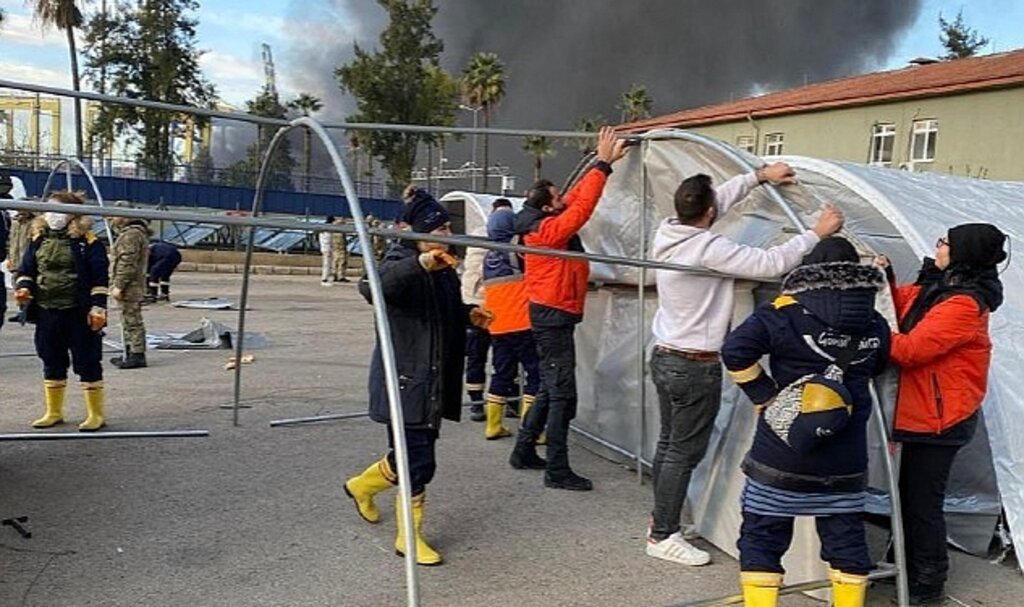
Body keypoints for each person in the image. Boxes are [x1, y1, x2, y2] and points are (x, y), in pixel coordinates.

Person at [644, 165, 845, 565]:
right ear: (709, 214)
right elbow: (770, 263)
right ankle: (663, 534)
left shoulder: (669, 230)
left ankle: (660, 523)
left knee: (670, 446)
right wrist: (817, 233)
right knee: (683, 453)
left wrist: (758, 176)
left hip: (666, 356)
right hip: (692, 366)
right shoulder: (707, 249)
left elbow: (718, 198)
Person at [722, 237, 890, 607]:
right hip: (845, 459)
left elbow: (735, 351)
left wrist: (764, 395)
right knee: (846, 541)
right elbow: (878, 365)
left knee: (762, 537)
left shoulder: (782, 312)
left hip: (782, 452)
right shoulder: (875, 321)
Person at [344, 189, 493, 566]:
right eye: (440, 228)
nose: (447, 234)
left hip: (430, 379)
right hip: (405, 380)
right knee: (420, 460)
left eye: (448, 227)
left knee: (411, 453)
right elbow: (373, 288)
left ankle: (361, 486)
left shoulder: (442, 268)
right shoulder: (401, 260)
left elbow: (442, 309)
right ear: (420, 233)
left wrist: (467, 315)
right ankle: (408, 536)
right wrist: (421, 264)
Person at [881, 224, 1007, 606]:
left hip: (940, 417)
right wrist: (882, 278)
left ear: (964, 253)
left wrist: (867, 332)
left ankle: (928, 579)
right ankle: (904, 561)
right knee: (908, 494)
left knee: (922, 500)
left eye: (945, 243)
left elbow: (910, 349)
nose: (937, 247)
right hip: (922, 409)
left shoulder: (964, 303)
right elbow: (898, 305)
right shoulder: (939, 287)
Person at [508, 126, 627, 491]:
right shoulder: (546, 231)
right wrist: (602, 165)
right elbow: (580, 210)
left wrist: (603, 164)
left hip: (553, 314)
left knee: (549, 385)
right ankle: (556, 469)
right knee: (562, 394)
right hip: (553, 317)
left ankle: (524, 449)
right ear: (547, 207)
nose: (563, 198)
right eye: (556, 197)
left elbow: (574, 200)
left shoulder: (542, 220)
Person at [15, 191, 110, 431]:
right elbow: (27, 269)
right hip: (48, 310)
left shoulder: (88, 241)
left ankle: (95, 414)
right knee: (51, 358)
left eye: (58, 210)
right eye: (50, 209)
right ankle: (53, 411)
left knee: (87, 360)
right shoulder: (38, 238)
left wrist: (98, 307)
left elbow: (100, 276)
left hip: (78, 311)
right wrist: (24, 288)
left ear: (72, 214)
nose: (52, 215)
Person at [482, 198, 541, 441]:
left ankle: (493, 425)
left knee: (501, 373)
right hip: (522, 322)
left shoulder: (489, 256)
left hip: (497, 325)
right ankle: (532, 429)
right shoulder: (518, 251)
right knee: (535, 373)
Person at [108, 204, 151, 369]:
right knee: (126, 319)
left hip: (130, 286)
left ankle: (137, 353)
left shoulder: (131, 235)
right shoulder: (131, 233)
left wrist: (119, 285)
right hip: (130, 285)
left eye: (114, 216)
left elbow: (128, 261)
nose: (111, 219)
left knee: (132, 320)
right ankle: (129, 351)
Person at [461, 204, 491, 423]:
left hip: (472, 305)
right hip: (490, 307)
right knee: (503, 356)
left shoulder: (474, 242)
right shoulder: (500, 242)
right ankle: (507, 400)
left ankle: (476, 402)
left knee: (476, 357)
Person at [332, 216, 351, 282]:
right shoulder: (340, 231)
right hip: (341, 248)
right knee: (342, 262)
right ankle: (341, 276)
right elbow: (342, 241)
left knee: (335, 261)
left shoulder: (333, 229)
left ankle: (334, 274)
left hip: (335, 248)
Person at [318, 215, 335, 286]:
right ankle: (324, 279)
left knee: (327, 264)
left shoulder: (323, 229)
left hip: (325, 248)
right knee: (326, 264)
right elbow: (329, 240)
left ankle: (326, 278)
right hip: (327, 248)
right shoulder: (327, 231)